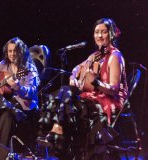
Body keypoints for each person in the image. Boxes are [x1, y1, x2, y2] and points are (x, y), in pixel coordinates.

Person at [37, 18, 128, 160]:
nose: (99, 36)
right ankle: (59, 131)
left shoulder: (115, 56)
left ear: (111, 34)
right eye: (96, 32)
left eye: (103, 32)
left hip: (110, 100)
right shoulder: (94, 55)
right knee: (67, 91)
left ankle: (58, 132)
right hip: (92, 97)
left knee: (70, 100)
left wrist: (96, 83)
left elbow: (114, 90)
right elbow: (75, 69)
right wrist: (74, 77)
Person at [0, 37, 40, 148]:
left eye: (15, 51)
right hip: (8, 103)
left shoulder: (29, 68)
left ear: (21, 51)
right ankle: (10, 109)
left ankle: (0, 153)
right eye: (9, 51)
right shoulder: (3, 64)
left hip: (24, 104)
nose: (12, 54)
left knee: (7, 115)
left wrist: (18, 88)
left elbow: (31, 92)